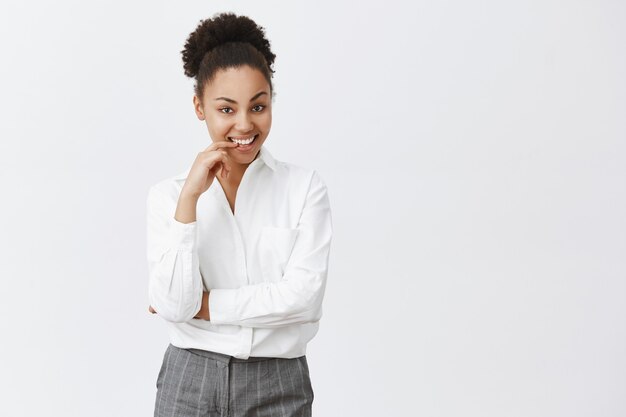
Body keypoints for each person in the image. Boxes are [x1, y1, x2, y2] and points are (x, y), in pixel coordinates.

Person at [145, 12, 333, 417]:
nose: (245, 124)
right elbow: (175, 305)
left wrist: (204, 306)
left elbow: (303, 299)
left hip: (278, 382)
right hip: (189, 379)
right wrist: (190, 200)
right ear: (200, 106)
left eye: (258, 106)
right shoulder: (168, 197)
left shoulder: (304, 189)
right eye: (226, 109)